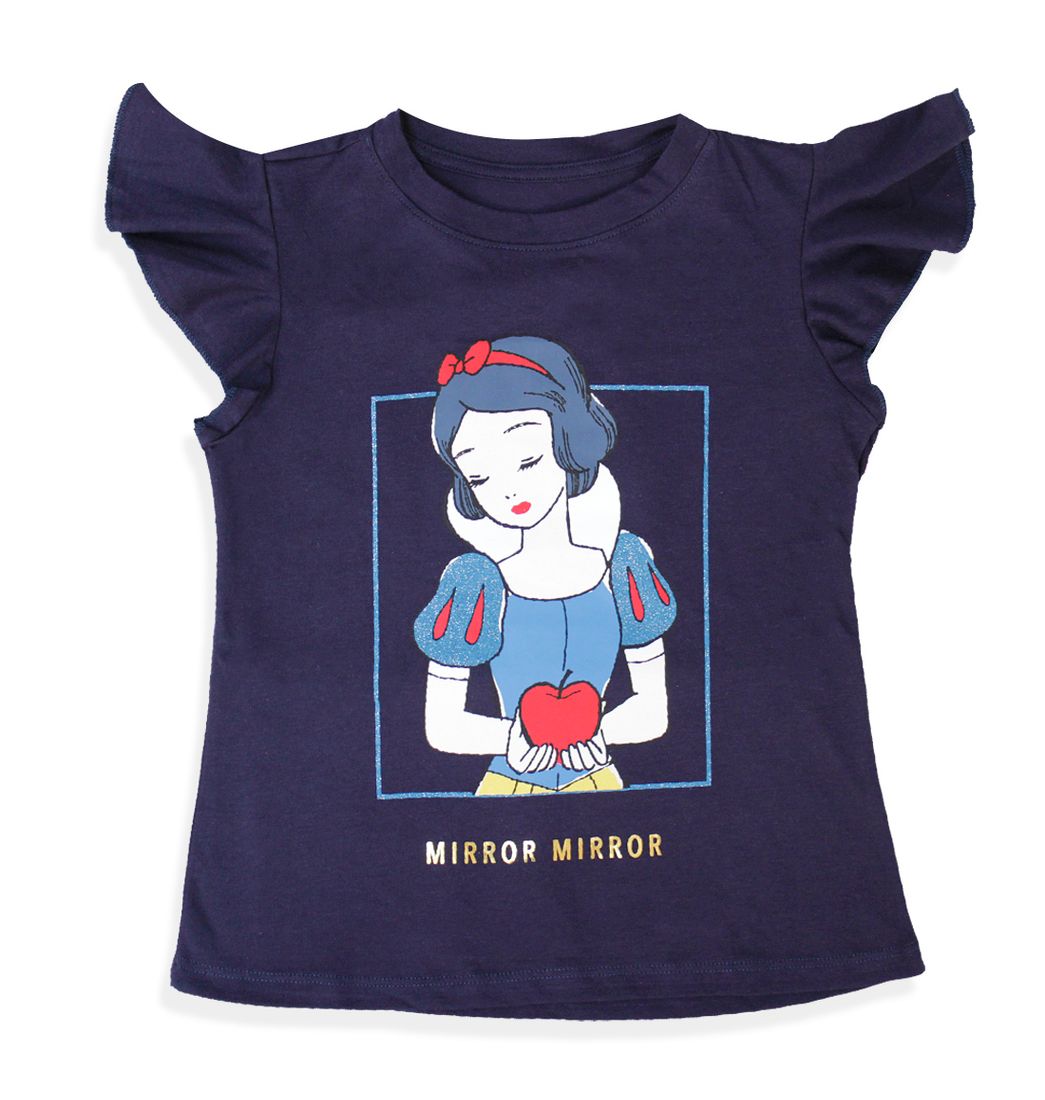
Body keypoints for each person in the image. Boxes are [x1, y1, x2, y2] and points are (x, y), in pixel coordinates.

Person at [413, 335, 677, 795]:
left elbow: (654, 713)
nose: (508, 491)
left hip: (601, 785)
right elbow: (441, 726)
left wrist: (598, 736)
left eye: (527, 459)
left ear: (568, 437)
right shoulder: (474, 582)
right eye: (479, 476)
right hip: (505, 792)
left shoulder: (624, 566)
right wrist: (511, 742)